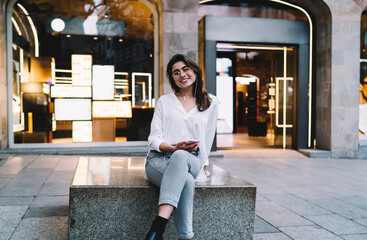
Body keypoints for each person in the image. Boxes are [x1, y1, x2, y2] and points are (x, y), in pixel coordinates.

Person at [144, 54, 219, 240]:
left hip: (192, 160)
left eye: (185, 69)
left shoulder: (211, 101)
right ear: (172, 78)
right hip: (159, 160)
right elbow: (153, 139)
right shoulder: (164, 101)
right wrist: (173, 148)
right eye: (176, 72)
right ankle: (185, 237)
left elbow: (208, 137)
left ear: (194, 71)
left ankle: (158, 227)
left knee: (181, 159)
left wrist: (204, 164)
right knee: (186, 181)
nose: (182, 75)